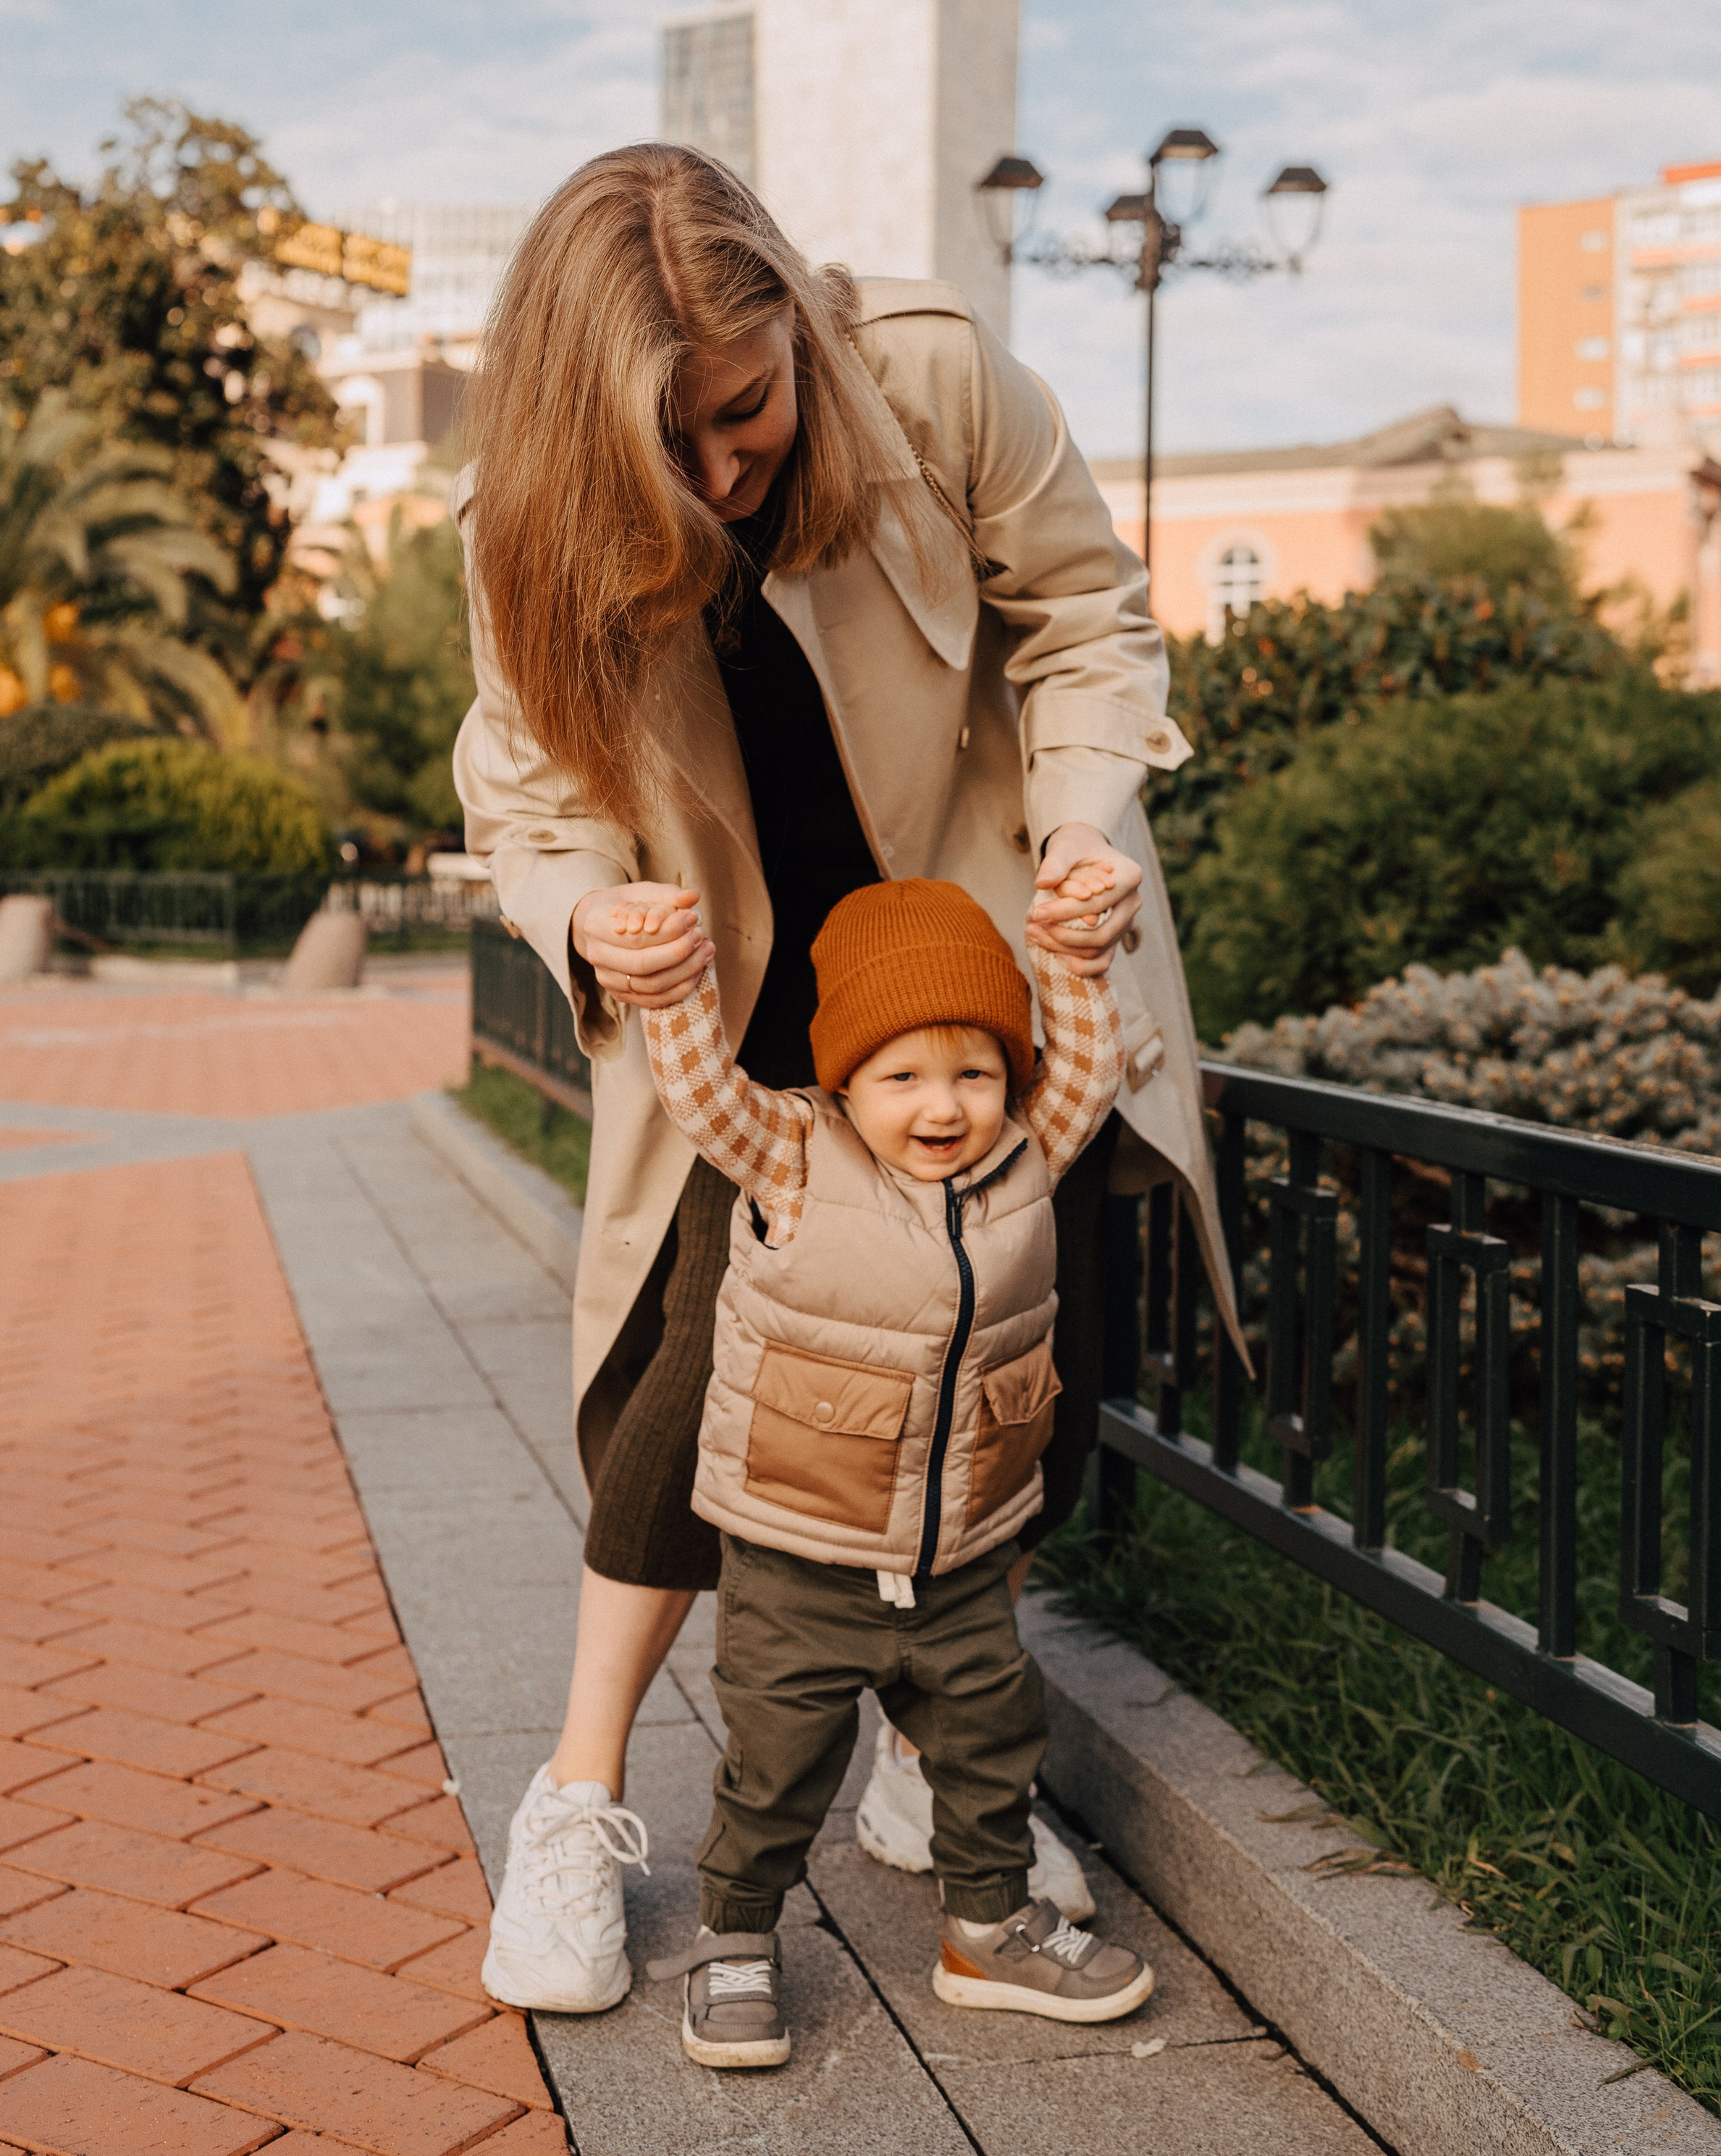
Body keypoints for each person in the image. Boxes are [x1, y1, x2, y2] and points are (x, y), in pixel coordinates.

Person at [452, 143, 1235, 2014]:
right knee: (679, 1403)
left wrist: (1084, 819)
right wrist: (585, 924)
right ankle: (575, 1806)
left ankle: (932, 1767)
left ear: (796, 319)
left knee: (1004, 1369)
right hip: (739, 1021)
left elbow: (1090, 620)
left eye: (745, 413)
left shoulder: (940, 378)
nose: (725, 476)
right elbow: (523, 788)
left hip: (976, 968)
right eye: (675, 449)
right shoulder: (523, 518)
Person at [635, 876, 1155, 2067]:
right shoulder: (795, 1157)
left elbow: (1088, 1065)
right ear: (845, 1081)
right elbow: (701, 1091)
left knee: (991, 1744)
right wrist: (671, 990)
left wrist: (1071, 965)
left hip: (964, 1555)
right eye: (904, 1076)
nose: (944, 1105)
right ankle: (736, 1937)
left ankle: (985, 1926)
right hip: (799, 1556)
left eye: (974, 1071)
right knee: (775, 1770)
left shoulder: (1031, 1153)